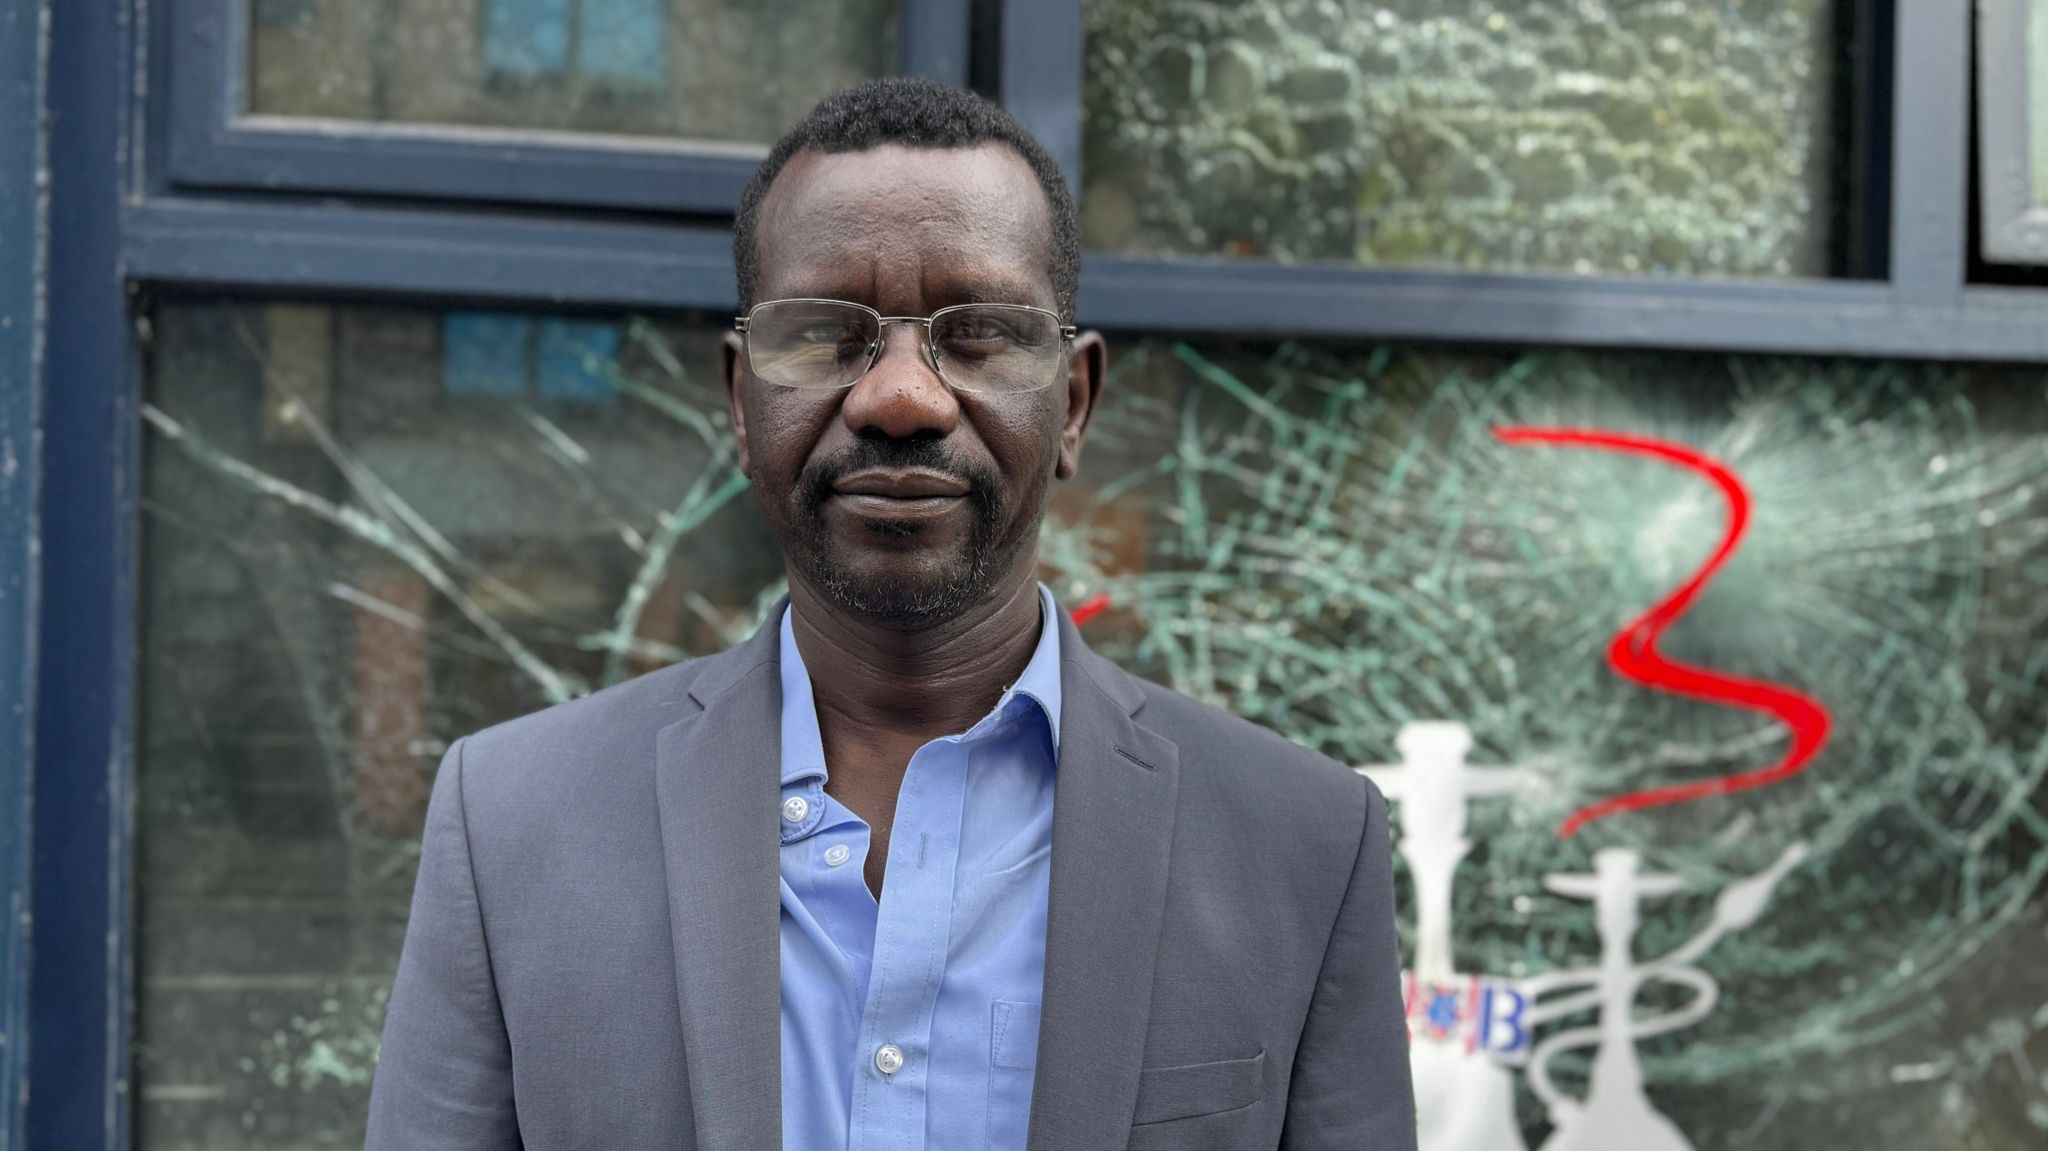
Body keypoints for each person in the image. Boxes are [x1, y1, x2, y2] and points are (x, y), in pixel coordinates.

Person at [365, 77, 1416, 1151]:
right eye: (825, 333)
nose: (901, 397)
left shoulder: (1300, 844)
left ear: (1075, 400)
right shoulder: (510, 824)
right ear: (739, 400)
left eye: (981, 334)